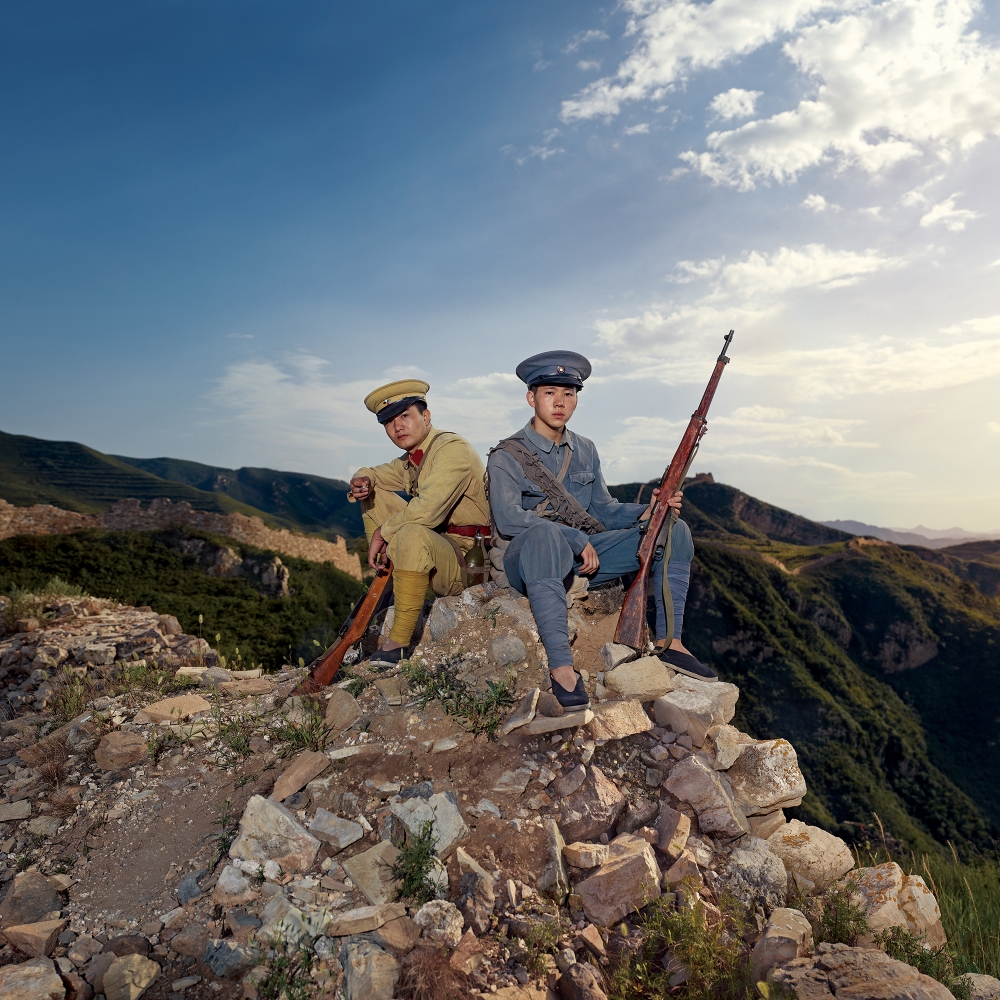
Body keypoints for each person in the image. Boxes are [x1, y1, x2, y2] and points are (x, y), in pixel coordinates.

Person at [487, 351, 716, 711]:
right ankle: (562, 668)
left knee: (674, 529)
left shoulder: (585, 449)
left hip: (582, 558)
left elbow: (603, 510)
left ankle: (670, 642)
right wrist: (574, 538)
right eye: (549, 393)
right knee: (546, 535)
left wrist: (649, 511)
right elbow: (509, 519)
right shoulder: (506, 455)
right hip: (528, 561)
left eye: (568, 393)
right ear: (531, 398)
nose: (560, 402)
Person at [348, 379, 490, 665]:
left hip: (469, 562)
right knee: (373, 494)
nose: (398, 427)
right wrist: (362, 480)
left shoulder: (452, 449)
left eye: (405, 416)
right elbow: (374, 473)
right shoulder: (411, 460)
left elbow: (428, 511)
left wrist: (384, 532)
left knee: (410, 530)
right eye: (389, 422)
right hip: (441, 548)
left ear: (426, 416)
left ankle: (398, 643)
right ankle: (388, 581)